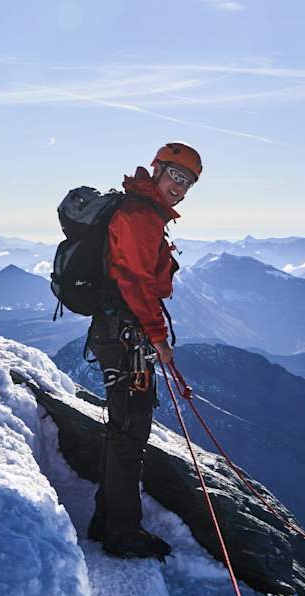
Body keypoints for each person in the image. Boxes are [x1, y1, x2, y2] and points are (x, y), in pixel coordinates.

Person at [86, 141, 201, 560]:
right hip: (127, 335)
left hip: (119, 330)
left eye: (188, 182)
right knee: (130, 433)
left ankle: (107, 520)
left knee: (123, 429)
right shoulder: (141, 215)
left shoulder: (142, 209)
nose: (181, 187)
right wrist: (157, 338)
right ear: (158, 169)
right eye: (176, 175)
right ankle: (121, 532)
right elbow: (136, 281)